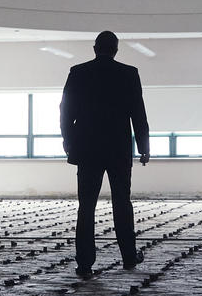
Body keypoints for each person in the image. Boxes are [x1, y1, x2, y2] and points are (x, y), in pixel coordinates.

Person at [60, 31, 150, 278]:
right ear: (116, 50)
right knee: (122, 203)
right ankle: (129, 257)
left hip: (87, 150)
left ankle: (85, 263)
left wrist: (68, 141)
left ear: (94, 48)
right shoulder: (129, 74)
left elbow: (66, 110)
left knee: (86, 207)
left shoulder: (78, 72)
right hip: (118, 149)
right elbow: (138, 113)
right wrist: (144, 147)